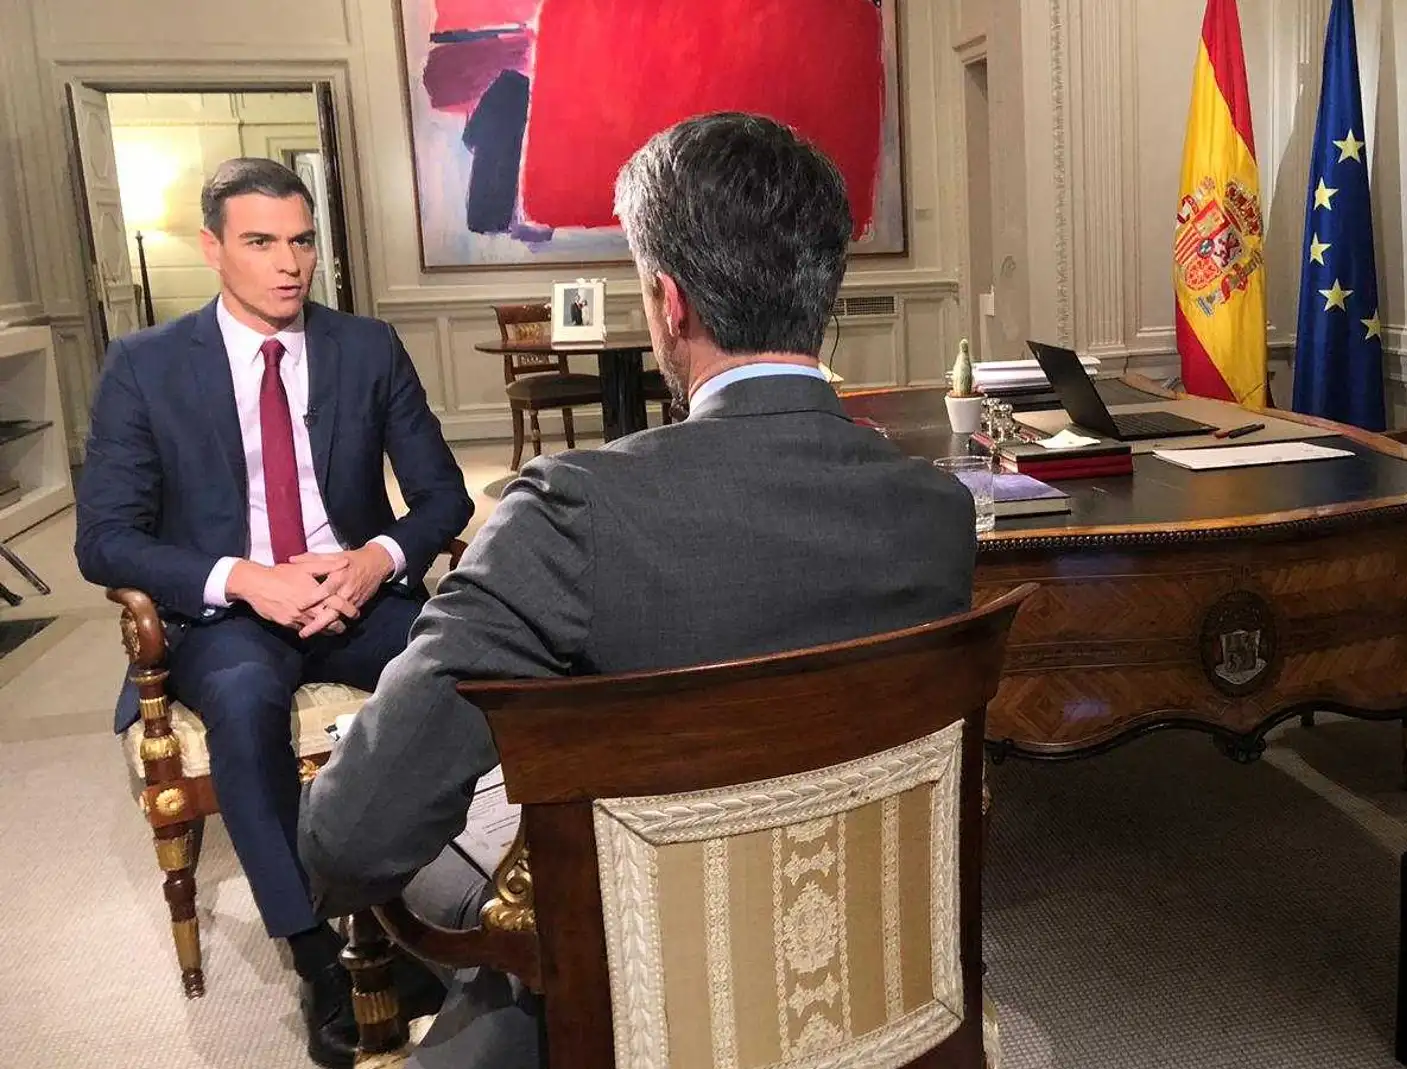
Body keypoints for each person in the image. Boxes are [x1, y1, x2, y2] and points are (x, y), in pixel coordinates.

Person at [299, 112, 977, 1068]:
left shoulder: (569, 514)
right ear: (824, 290)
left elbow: (351, 835)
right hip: (875, 983)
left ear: (668, 302)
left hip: (652, 1006)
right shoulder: (936, 510)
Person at [75, 158, 474, 1068]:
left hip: (354, 592)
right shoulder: (144, 366)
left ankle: (442, 901)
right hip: (229, 615)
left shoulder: (366, 346)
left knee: (470, 669)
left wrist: (375, 559)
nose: (288, 263)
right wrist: (242, 577)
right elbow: (105, 539)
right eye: (261, 241)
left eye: (301, 241)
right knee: (249, 703)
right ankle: (317, 959)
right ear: (214, 248)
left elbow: (443, 498)